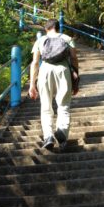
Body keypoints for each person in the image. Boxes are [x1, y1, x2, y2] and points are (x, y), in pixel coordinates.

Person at [29, 19, 79, 150]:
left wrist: (32, 85)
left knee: (46, 106)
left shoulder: (40, 41)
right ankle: (62, 132)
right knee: (63, 106)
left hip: (45, 71)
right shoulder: (67, 38)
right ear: (58, 28)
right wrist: (76, 79)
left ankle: (49, 136)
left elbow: (35, 63)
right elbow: (74, 59)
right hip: (63, 70)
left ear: (46, 29)